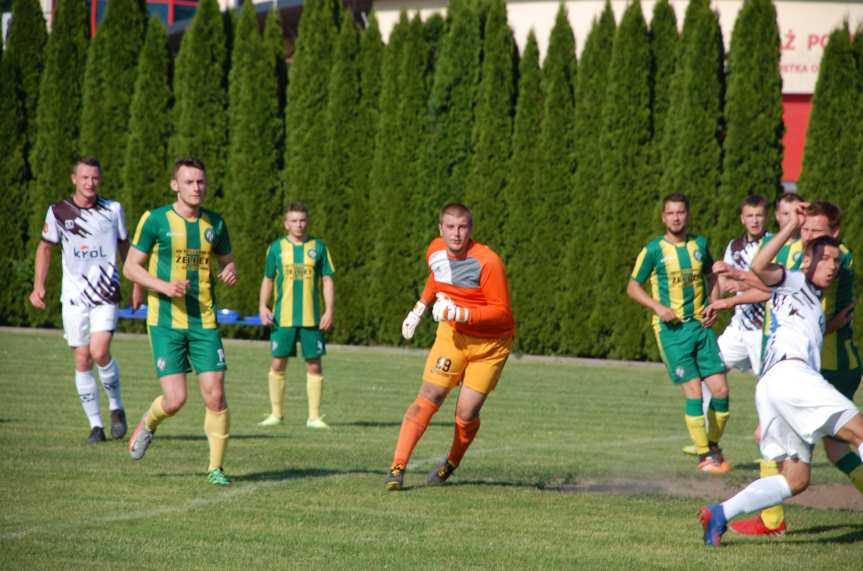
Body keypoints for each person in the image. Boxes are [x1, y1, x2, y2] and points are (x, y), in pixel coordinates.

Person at [699, 202, 863, 547]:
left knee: (796, 479)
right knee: (858, 431)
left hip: (773, 385)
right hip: (791, 377)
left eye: (835, 260)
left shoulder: (810, 302)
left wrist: (728, 299)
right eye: (823, 259)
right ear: (806, 260)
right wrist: (791, 225)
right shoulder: (796, 280)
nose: (831, 266)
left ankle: (720, 513)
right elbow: (759, 267)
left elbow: (759, 289)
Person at [123, 158, 237, 486]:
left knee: (215, 395)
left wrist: (230, 270)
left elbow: (227, 262)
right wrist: (163, 287)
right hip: (166, 322)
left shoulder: (214, 223)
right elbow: (131, 267)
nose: (196, 188)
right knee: (175, 400)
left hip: (204, 321)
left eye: (200, 182)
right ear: (175, 185)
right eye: (189, 182)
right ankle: (148, 424)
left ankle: (216, 468)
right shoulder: (155, 220)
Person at [385, 203, 514, 491]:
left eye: (463, 227)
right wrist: (419, 308)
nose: (457, 234)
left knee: (466, 413)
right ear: (440, 229)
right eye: (451, 227)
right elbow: (437, 277)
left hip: (490, 345)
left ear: (471, 229)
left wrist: (461, 313)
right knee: (430, 394)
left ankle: (451, 462)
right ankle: (397, 467)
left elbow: (502, 312)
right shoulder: (434, 250)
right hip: (453, 336)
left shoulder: (488, 261)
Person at [626, 193, 731, 473]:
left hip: (701, 328)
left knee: (721, 393)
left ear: (688, 215)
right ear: (663, 217)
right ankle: (704, 457)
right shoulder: (653, 250)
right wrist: (658, 307)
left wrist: (715, 304)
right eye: (670, 213)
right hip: (672, 332)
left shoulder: (700, 244)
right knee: (695, 393)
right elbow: (633, 287)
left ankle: (712, 445)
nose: (676, 217)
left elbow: (711, 276)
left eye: (680, 212)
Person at [29, 156, 130, 443]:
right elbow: (45, 248)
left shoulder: (112, 210)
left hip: (106, 294)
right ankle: (96, 426)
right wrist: (39, 286)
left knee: (99, 352)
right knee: (82, 359)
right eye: (84, 177)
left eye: (95, 178)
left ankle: (116, 407)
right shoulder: (58, 212)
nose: (90, 183)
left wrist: (136, 281)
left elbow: (125, 245)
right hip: (73, 298)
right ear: (74, 179)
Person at [257, 203, 335, 429]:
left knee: (314, 365)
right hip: (283, 318)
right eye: (294, 221)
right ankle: (276, 414)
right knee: (278, 363)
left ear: (307, 221)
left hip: (311, 318)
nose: (298, 225)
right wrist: (263, 306)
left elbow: (328, 280)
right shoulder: (276, 248)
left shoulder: (318, 247)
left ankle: (314, 417)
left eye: (302, 220)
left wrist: (329, 310)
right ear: (286, 223)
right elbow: (268, 279)